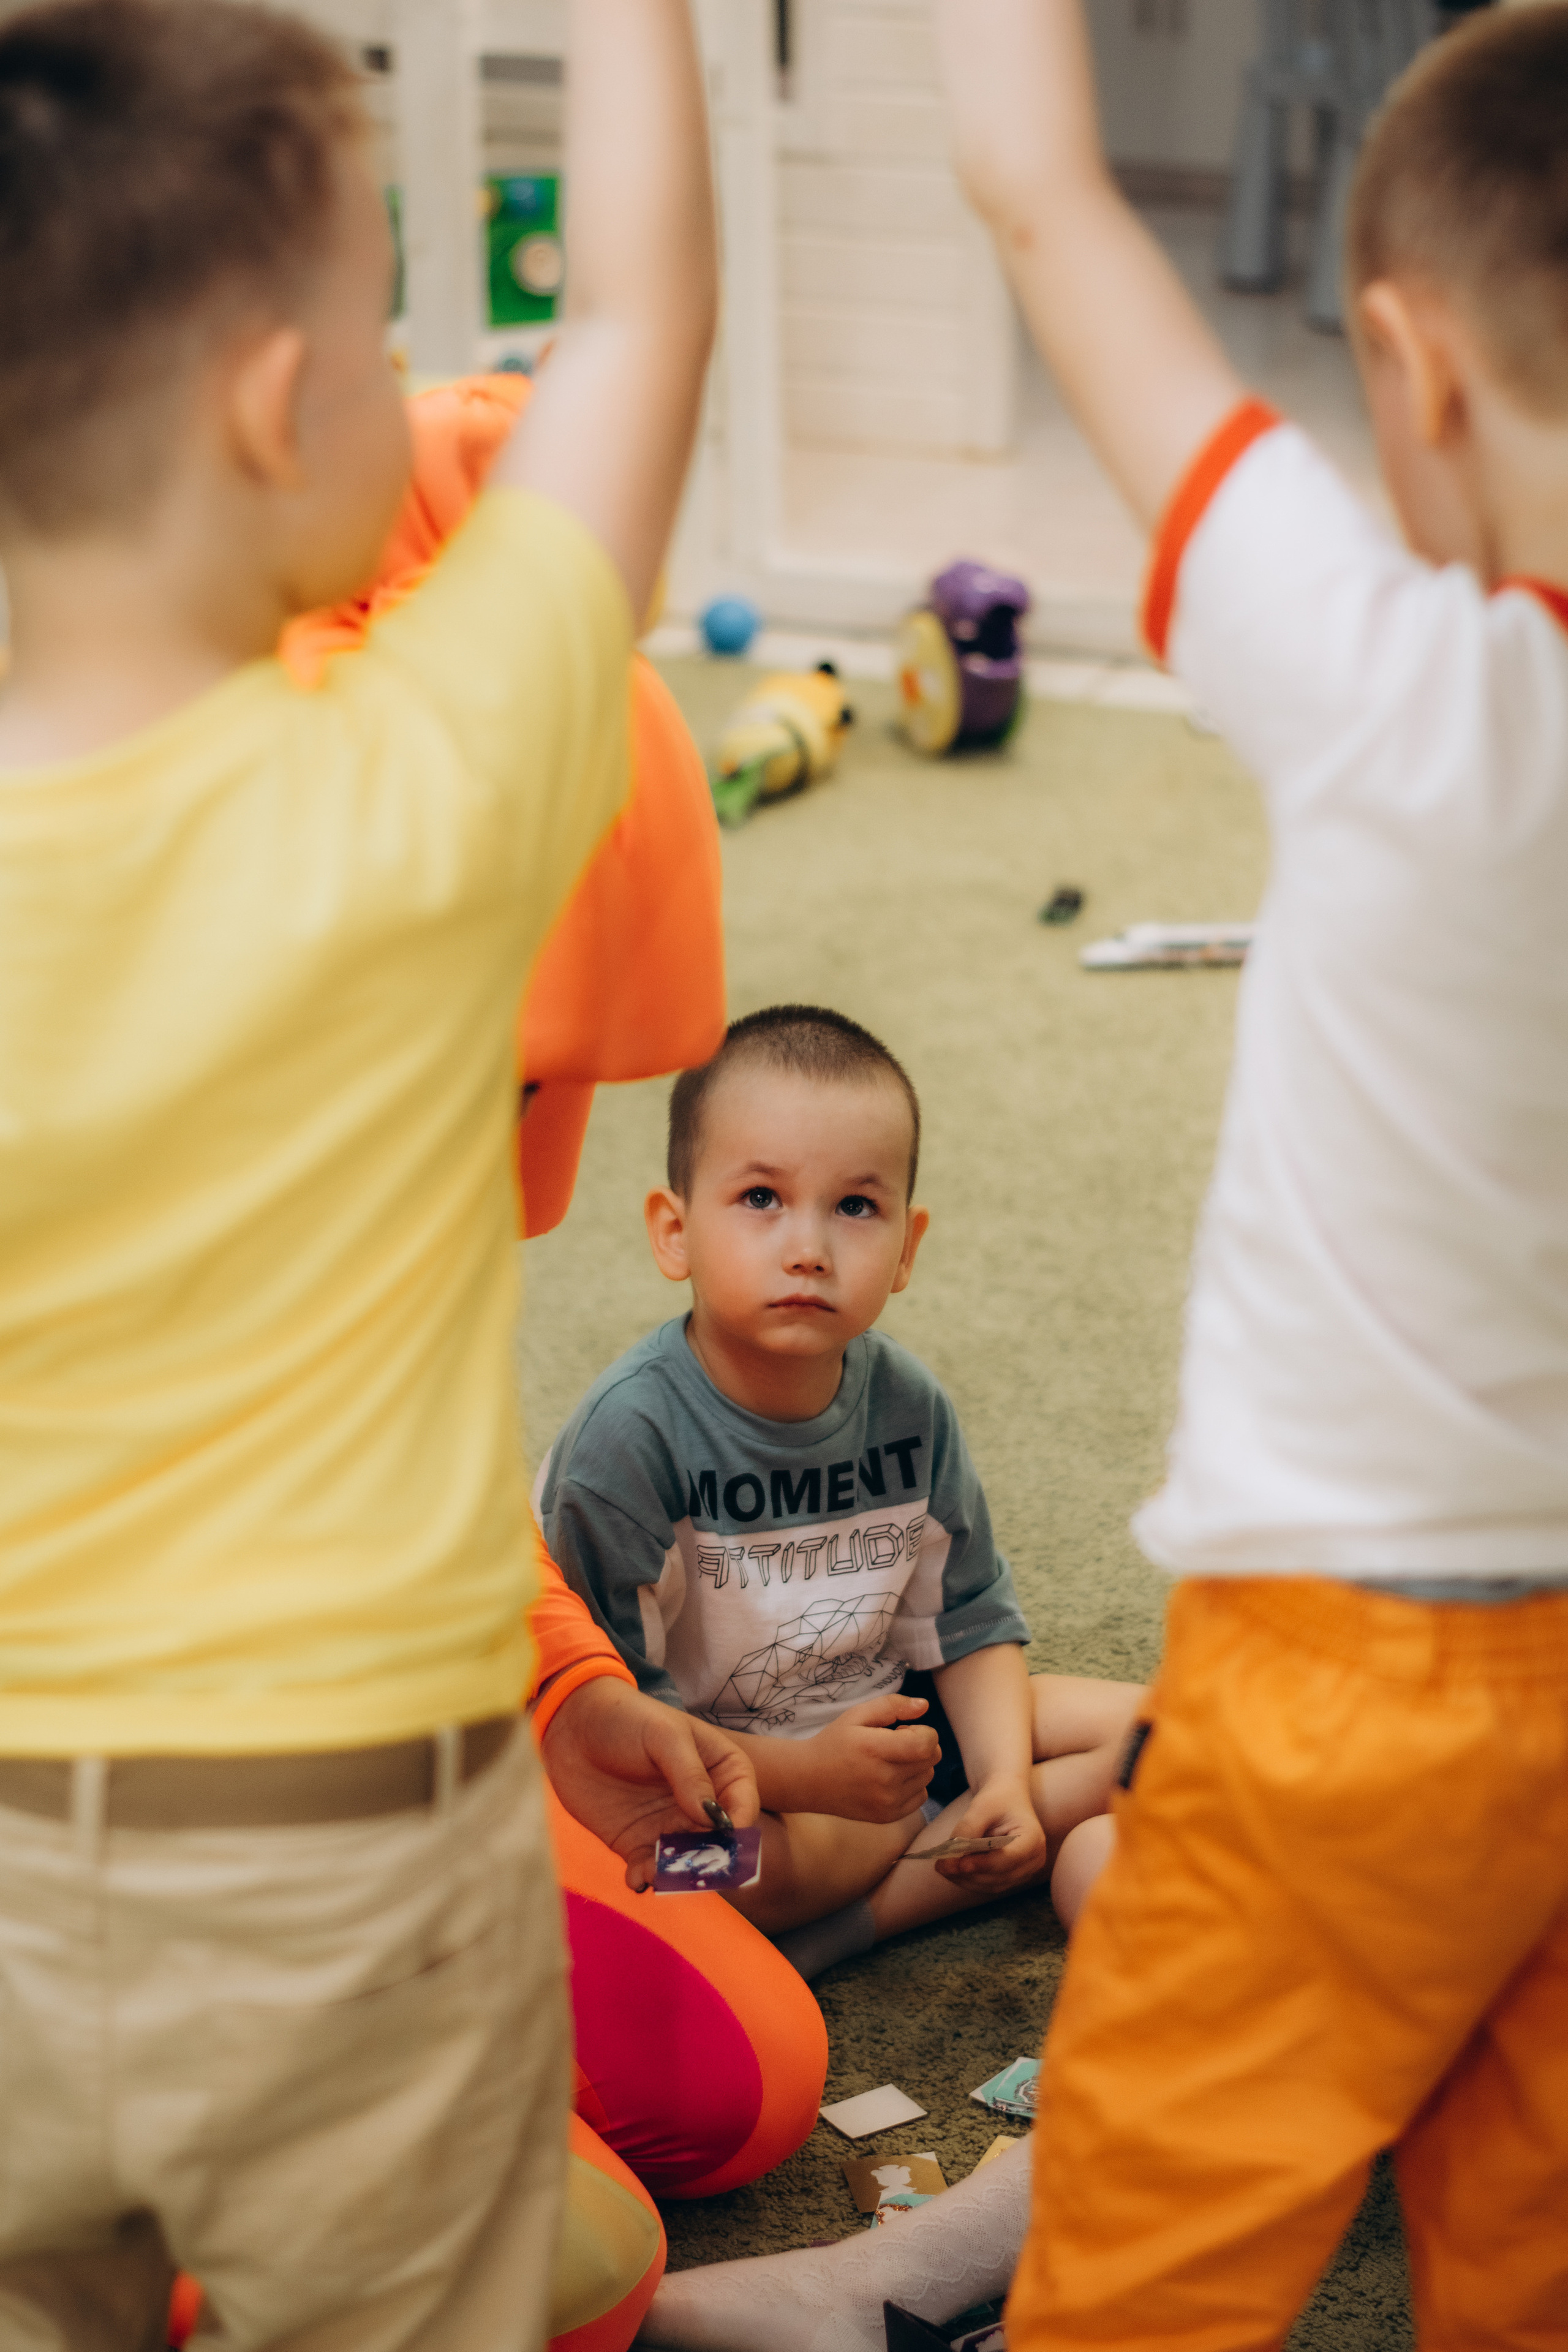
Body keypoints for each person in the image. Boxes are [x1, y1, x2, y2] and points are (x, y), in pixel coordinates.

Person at [0, 0, 722, 2343]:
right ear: (265, 403)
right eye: (384, 315)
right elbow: (636, 316)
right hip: (342, 1877)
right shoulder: (418, 799)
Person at [928, 4, 1568, 2345]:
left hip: (1344, 1686)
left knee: (1158, 2244)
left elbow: (1041, 188)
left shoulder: (1403, 687)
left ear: (1404, 369)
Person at [537, 1005, 1144, 1980]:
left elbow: (972, 1623)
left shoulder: (911, 1406)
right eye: (761, 1199)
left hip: (893, 1728)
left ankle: (989, 1819)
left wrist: (1000, 1781)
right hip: (710, 1788)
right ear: (674, 1230)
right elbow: (614, 1736)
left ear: (907, 1247)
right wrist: (812, 1778)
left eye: (855, 1208)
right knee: (701, 1878)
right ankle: (903, 1885)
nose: (808, 1245)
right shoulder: (628, 1441)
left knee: (1179, 1732)